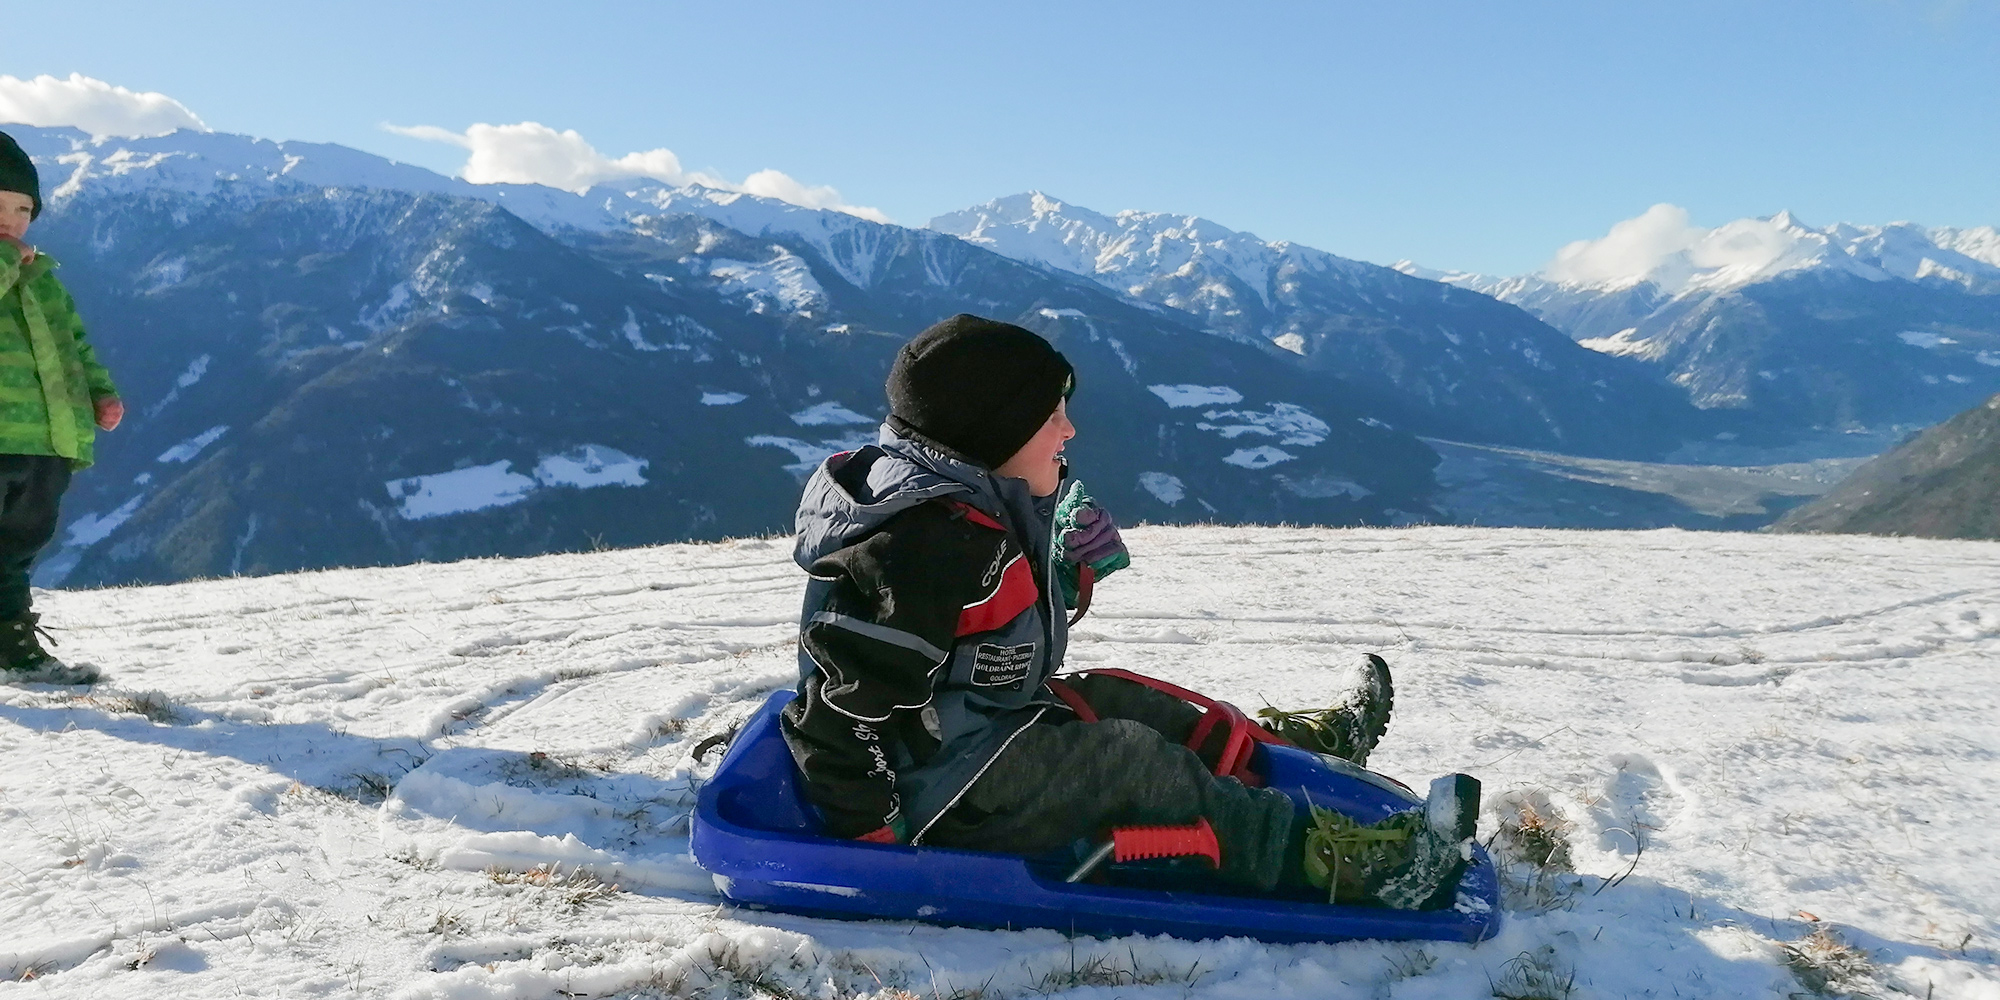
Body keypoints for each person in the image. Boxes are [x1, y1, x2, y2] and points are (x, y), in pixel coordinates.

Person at [779, 314, 1477, 909]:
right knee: (1130, 762)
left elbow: (989, 631)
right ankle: (1344, 867)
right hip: (941, 790)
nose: (1070, 430)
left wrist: (1066, 565)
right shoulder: (919, 549)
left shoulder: (976, 504)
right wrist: (874, 841)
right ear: (993, 433)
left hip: (985, 725)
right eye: (1051, 416)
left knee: (1127, 700)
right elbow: (839, 715)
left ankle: (1300, 757)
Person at [0, 131, 122, 685]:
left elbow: (75, 345)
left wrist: (99, 392)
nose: (12, 220)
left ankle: (12, 644)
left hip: (47, 438)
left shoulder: (44, 279)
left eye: (23, 208)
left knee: (20, 546)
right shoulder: (14, 264)